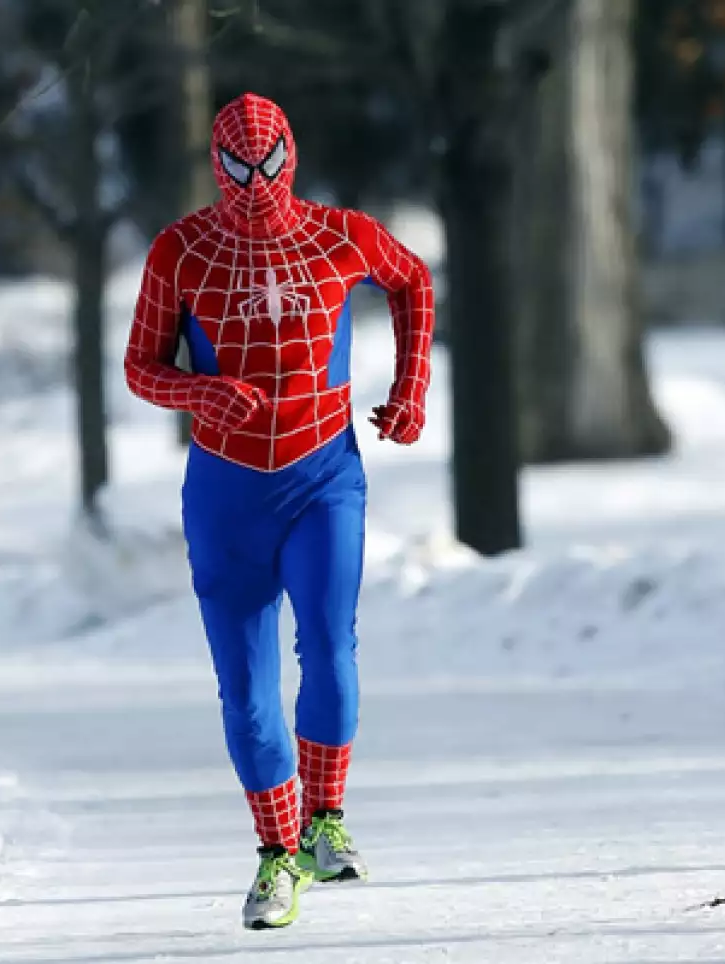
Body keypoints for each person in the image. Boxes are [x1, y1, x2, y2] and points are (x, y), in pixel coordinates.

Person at [123, 92, 435, 929]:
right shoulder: (180, 250)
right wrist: (198, 392)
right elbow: (140, 367)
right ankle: (275, 853)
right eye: (238, 165)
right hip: (226, 492)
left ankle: (326, 820)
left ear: (291, 155)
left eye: (267, 163)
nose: (255, 181)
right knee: (247, 691)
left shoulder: (341, 235)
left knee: (329, 643)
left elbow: (412, 280)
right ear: (215, 165)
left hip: (323, 475)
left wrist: (411, 389)